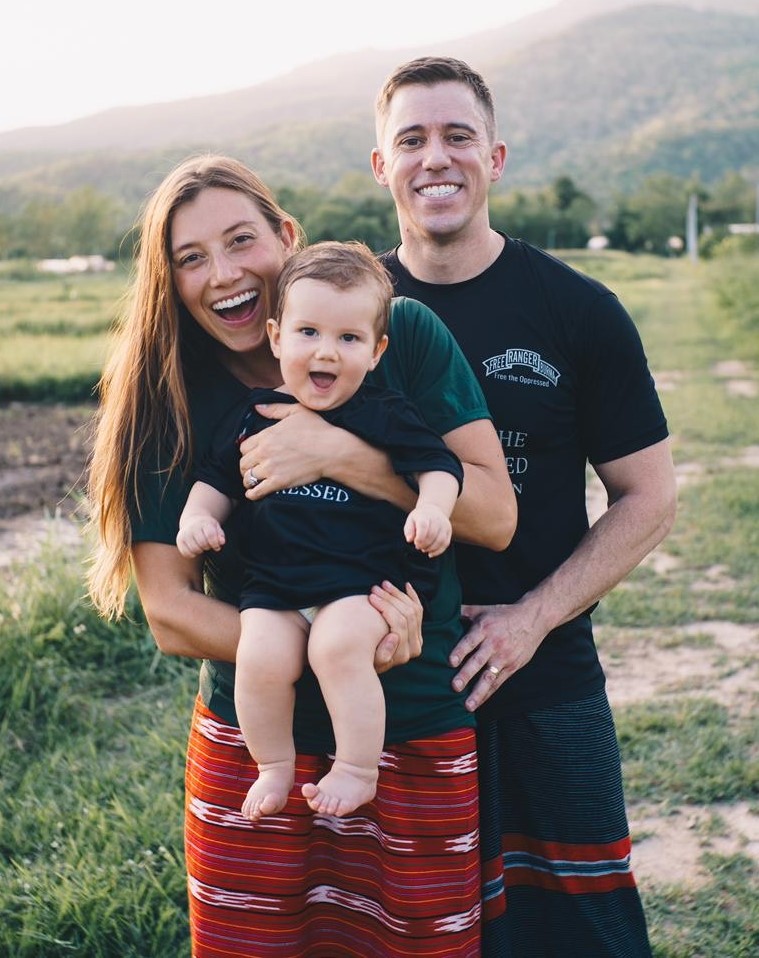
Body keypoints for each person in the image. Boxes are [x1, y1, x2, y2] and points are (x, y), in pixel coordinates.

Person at [86, 153, 516, 957]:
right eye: (190, 258)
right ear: (169, 279)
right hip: (254, 744)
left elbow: (492, 518)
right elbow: (172, 615)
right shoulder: (168, 390)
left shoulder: (399, 331)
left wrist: (333, 453)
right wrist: (326, 645)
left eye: (241, 240)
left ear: (286, 235)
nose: (223, 274)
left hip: (412, 727)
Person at [371, 56, 678, 957]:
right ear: (380, 166)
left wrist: (532, 619)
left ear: (494, 157)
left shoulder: (577, 311)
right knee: (419, 934)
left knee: (583, 930)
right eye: (412, 140)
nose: (437, 158)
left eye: (458, 136)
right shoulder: (345, 315)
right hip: (393, 690)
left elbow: (648, 497)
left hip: (546, 677)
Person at [176, 240, 464, 821]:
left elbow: (442, 466)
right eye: (308, 333)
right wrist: (197, 519)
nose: (325, 352)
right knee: (258, 658)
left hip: (360, 586)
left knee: (336, 649)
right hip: (275, 588)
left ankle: (357, 768)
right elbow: (216, 480)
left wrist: (433, 507)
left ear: (377, 350)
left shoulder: (384, 413)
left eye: (348, 339)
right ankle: (274, 765)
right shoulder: (252, 416)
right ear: (278, 338)